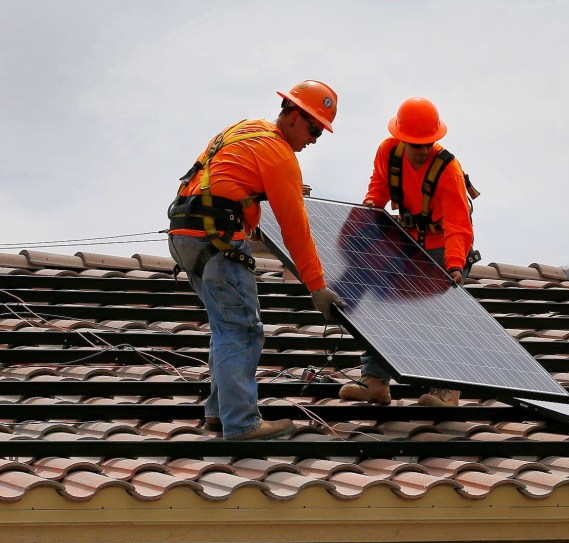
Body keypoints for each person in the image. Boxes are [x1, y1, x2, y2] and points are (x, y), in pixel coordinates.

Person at [167, 80, 346, 440]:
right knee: (242, 329)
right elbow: (296, 231)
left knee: (225, 326)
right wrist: (317, 287)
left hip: (184, 232)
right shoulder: (279, 155)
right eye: (313, 128)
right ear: (293, 116)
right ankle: (242, 422)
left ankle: (220, 412)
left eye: (321, 132)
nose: (314, 139)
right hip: (218, 240)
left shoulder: (247, 128)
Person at [340, 97, 477, 407]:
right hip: (409, 241)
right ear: (401, 139)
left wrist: (455, 265)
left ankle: (446, 389)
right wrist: (370, 213)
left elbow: (459, 225)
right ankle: (375, 381)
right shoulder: (388, 153)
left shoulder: (449, 169)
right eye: (417, 144)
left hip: (444, 246)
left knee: (441, 313)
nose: (424, 150)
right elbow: (378, 187)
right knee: (382, 304)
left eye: (429, 143)